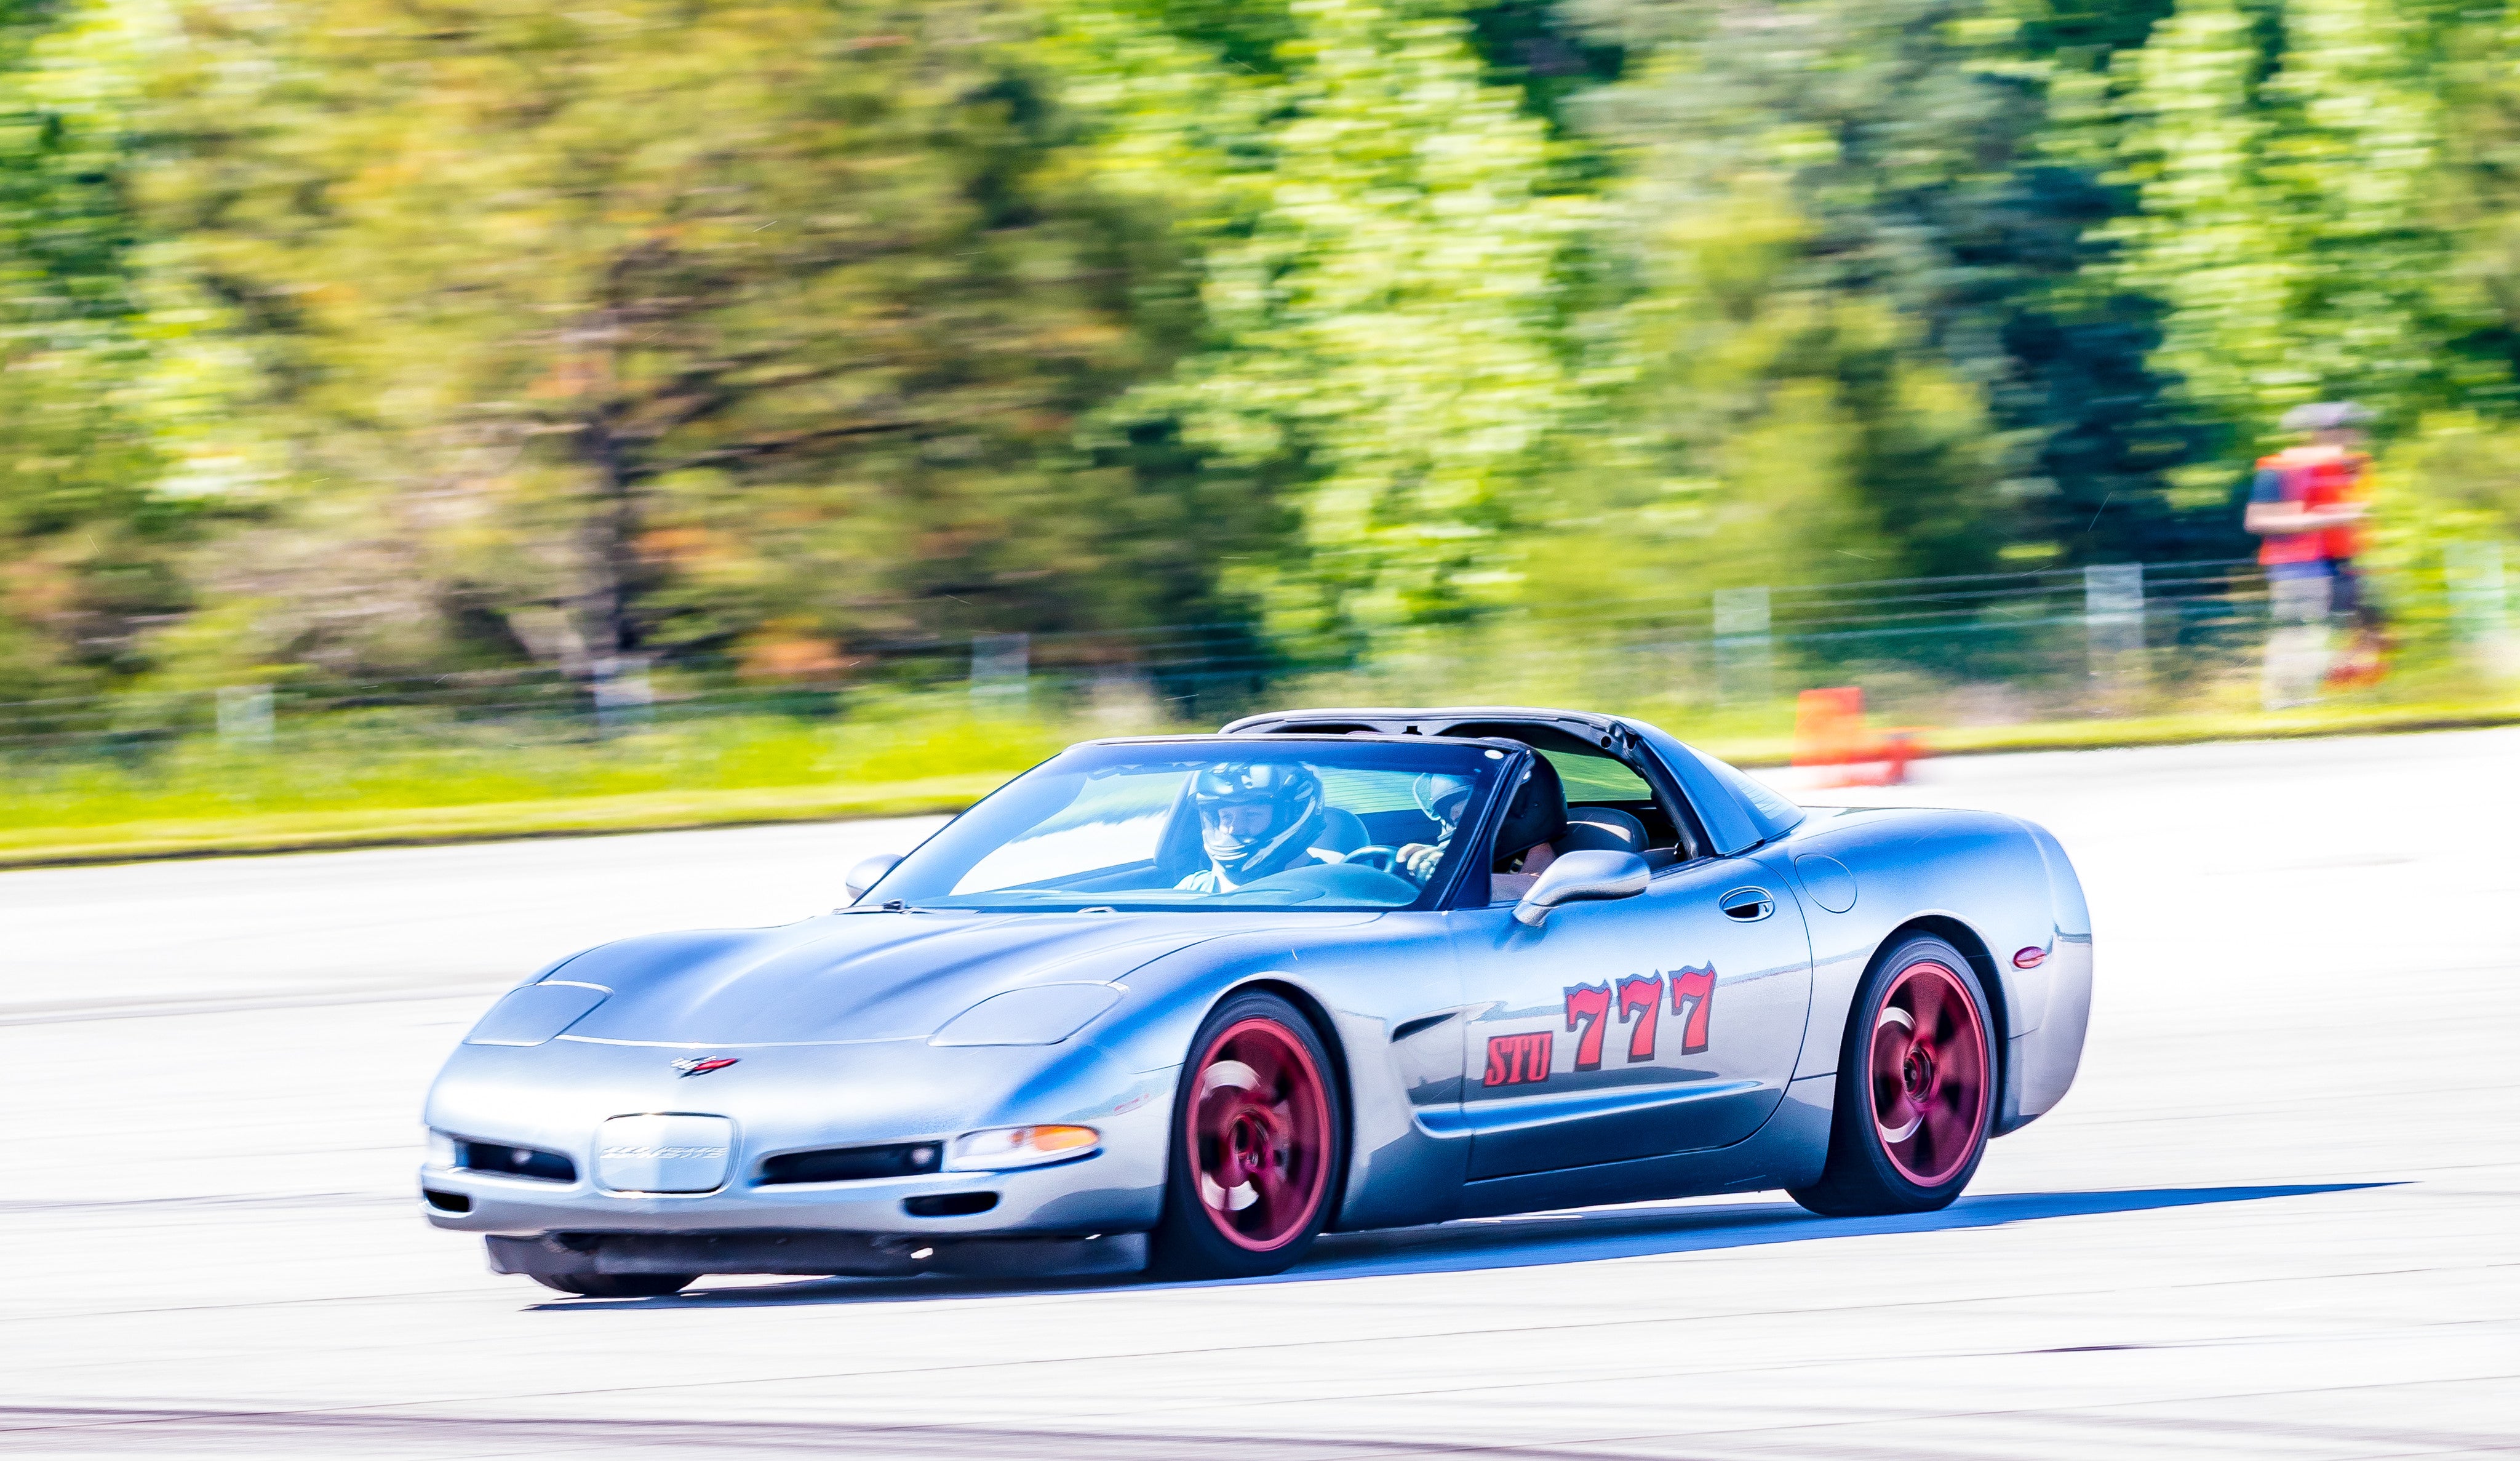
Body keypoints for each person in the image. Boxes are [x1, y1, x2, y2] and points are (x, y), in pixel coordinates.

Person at [2246, 402, 2377, 708]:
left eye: (2353, 428)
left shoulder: (2352, 467)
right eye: (2342, 429)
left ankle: (2337, 700)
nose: (2352, 435)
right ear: (2317, 433)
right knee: (2300, 630)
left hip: (2342, 562)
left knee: (2363, 629)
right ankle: (2286, 701)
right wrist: (2327, 518)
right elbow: (2256, 520)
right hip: (2297, 564)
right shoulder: (2281, 467)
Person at [1175, 761, 1336, 892]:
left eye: (1251, 815)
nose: (1234, 829)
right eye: (1226, 817)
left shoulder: (1332, 888)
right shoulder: (1194, 888)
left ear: (1289, 817)